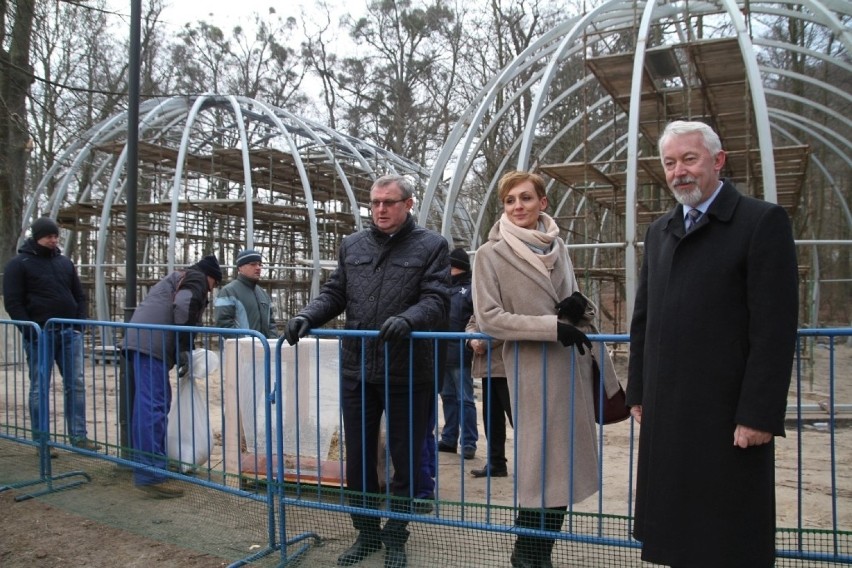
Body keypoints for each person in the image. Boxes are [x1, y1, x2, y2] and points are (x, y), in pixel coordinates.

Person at [626, 120, 799, 568]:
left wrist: (759, 413)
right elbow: (644, 318)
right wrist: (640, 392)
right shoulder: (659, 232)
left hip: (729, 419)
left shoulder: (761, 222)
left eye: (689, 159)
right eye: (670, 162)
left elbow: (775, 329)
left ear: (717, 161)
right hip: (670, 414)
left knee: (726, 538)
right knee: (677, 536)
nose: (679, 171)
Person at [284, 174, 450, 568]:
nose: (379, 210)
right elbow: (336, 292)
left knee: (405, 459)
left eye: (389, 202)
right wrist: (308, 315)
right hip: (357, 367)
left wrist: (409, 319)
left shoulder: (432, 246)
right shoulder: (352, 245)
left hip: (409, 370)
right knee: (358, 458)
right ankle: (366, 532)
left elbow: (437, 299)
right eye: (374, 203)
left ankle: (396, 535)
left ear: (408, 204)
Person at [472, 170, 620, 568]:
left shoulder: (559, 246)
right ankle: (526, 556)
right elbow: (489, 319)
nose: (517, 207)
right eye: (510, 201)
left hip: (569, 369)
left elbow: (570, 299)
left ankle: (541, 555)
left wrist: (578, 307)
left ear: (543, 203)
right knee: (539, 472)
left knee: (565, 471)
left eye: (525, 199)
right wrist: (551, 328)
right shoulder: (491, 253)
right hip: (529, 372)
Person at [122, 254, 222, 499]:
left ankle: (146, 466)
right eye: (214, 286)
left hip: (142, 340)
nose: (211, 291)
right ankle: (152, 473)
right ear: (211, 278)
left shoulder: (181, 276)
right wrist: (184, 347)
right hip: (152, 342)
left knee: (150, 403)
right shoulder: (197, 278)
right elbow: (185, 306)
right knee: (153, 406)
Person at [3, 217, 99, 452]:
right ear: (36, 237)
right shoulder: (19, 264)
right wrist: (30, 330)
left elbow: (79, 295)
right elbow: (13, 303)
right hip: (40, 334)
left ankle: (78, 437)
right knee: (40, 387)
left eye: (56, 236)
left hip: (69, 332)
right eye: (48, 236)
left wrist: (79, 324)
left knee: (75, 384)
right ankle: (42, 440)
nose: (53, 240)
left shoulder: (65, 263)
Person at [437, 247, 478, 460]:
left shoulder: (470, 290)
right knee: (448, 398)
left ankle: (469, 442)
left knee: (465, 399)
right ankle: (449, 439)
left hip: (460, 353)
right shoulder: (443, 289)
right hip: (442, 352)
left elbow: (474, 319)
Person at [466, 314, 511, 478]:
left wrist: (483, 343)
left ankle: (533, 466)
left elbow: (506, 325)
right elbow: (472, 322)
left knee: (519, 420)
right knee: (491, 418)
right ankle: (496, 463)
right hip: (486, 367)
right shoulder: (482, 295)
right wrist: (472, 340)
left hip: (506, 366)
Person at [214, 248, 277, 338]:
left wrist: (272, 343)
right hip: (241, 350)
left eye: (259, 264)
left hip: (265, 349)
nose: (258, 268)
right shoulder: (228, 292)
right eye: (253, 264)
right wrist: (245, 344)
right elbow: (224, 325)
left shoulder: (263, 294)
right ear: (240, 268)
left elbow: (271, 324)